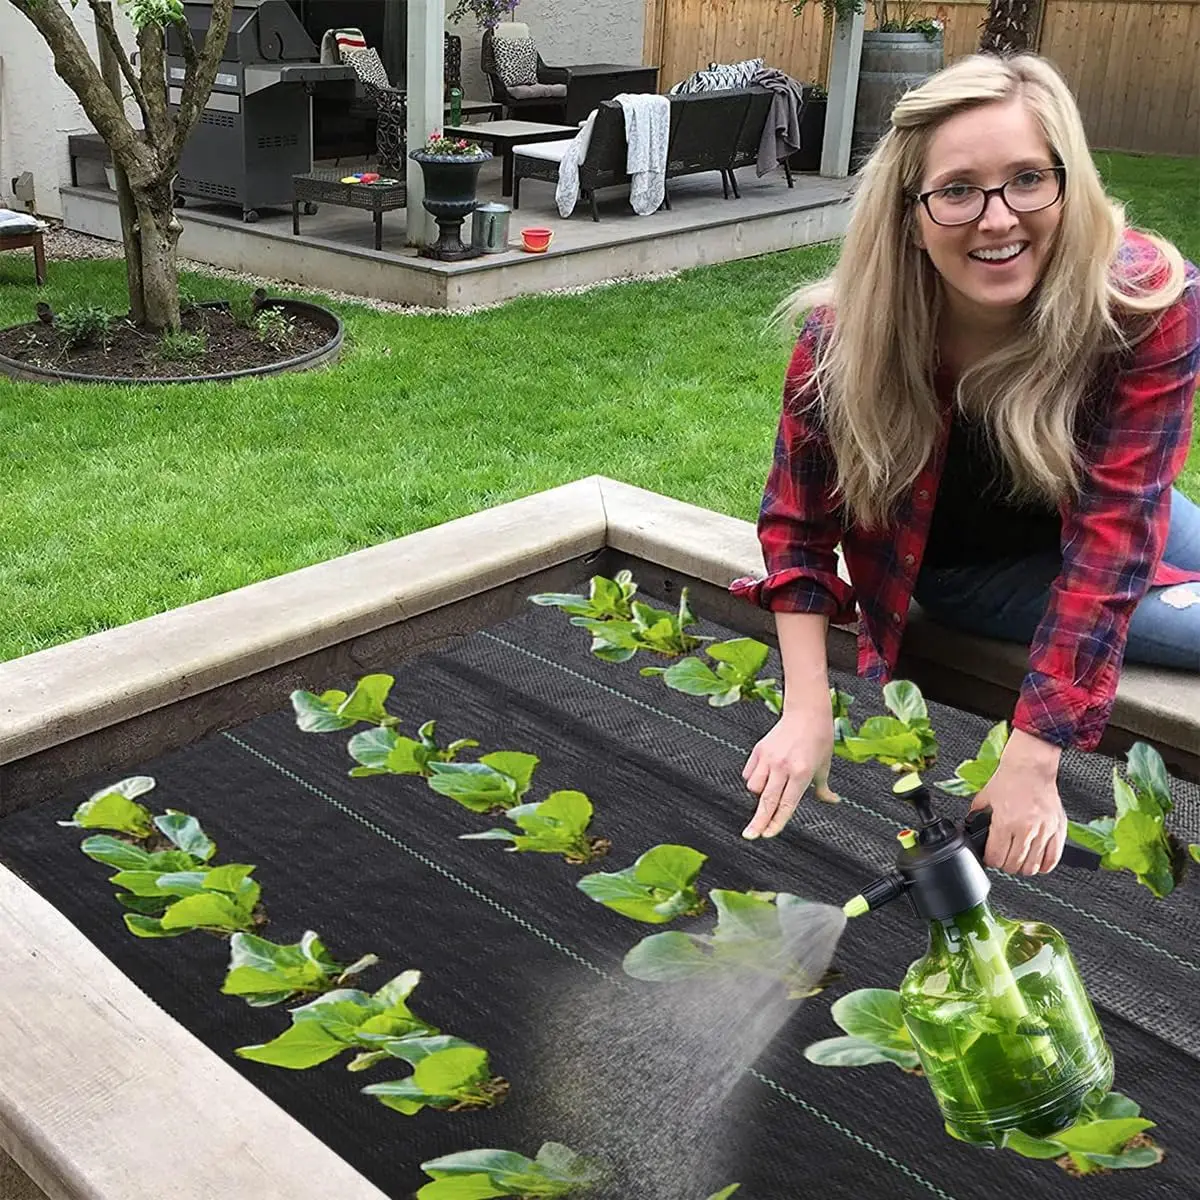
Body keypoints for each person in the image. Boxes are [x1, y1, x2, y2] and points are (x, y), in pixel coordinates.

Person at [730, 53, 1200, 877]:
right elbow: (798, 533)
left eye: (1027, 179)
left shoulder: (1145, 307)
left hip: (1101, 520)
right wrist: (807, 706)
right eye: (957, 190)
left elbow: (1115, 536)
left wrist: (1032, 759)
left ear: (1068, 183)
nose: (997, 217)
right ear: (910, 212)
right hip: (971, 570)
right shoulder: (840, 345)